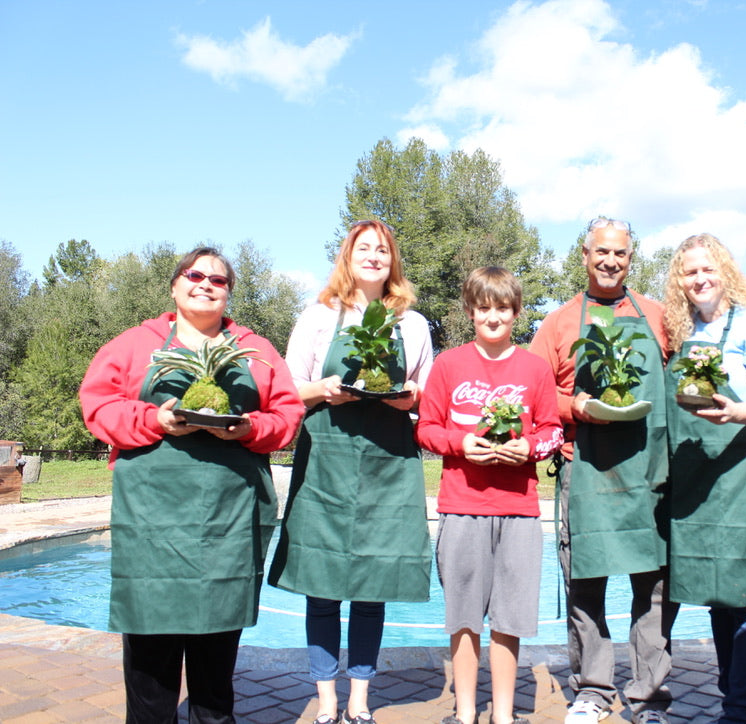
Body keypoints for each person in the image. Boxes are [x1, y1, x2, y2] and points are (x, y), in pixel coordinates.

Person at [79, 247, 304, 724]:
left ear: (229, 294)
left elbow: (287, 416)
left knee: (215, 666)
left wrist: (248, 429)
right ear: (175, 286)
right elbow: (97, 407)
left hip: (228, 521)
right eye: (195, 275)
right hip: (153, 524)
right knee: (149, 666)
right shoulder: (133, 345)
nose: (205, 284)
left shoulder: (257, 350)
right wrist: (155, 417)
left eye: (218, 280)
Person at [268, 220, 433, 724]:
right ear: (348, 256)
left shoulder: (414, 323)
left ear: (393, 262)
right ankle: (327, 698)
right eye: (364, 248)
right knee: (321, 583)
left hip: (388, 462)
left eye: (382, 250)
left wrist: (409, 397)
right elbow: (288, 387)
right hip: (327, 462)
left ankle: (360, 697)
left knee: (371, 583)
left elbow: (424, 389)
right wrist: (326, 389)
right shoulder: (319, 316)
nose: (374, 257)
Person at [529, 218, 678, 724]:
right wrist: (577, 407)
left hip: (648, 475)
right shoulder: (559, 323)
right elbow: (534, 390)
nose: (611, 261)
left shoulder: (657, 317)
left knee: (655, 589)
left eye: (621, 254)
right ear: (585, 254)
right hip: (585, 471)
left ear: (630, 259)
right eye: (602, 252)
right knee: (585, 584)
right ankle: (592, 689)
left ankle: (648, 697)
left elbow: (681, 384)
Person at [416, 266, 563, 724]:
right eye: (484, 308)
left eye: (502, 307)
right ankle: (464, 714)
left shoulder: (535, 369)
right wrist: (460, 443)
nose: (493, 316)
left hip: (519, 510)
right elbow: (426, 428)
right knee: (462, 617)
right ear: (470, 311)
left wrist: (528, 448)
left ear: (516, 311)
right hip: (462, 508)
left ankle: (502, 714)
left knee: (509, 618)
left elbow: (552, 431)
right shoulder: (449, 364)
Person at [661, 234, 746, 724]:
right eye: (690, 271)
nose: (700, 279)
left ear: (726, 271)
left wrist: (737, 412)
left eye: (708, 269)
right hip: (702, 484)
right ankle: (731, 695)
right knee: (720, 596)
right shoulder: (684, 328)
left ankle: (741, 711)